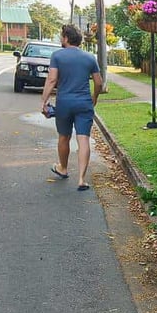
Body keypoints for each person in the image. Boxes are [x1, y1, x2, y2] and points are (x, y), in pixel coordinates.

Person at [40, 24, 103, 191]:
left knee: (64, 137)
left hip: (64, 103)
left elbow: (52, 80)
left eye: (62, 36)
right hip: (84, 103)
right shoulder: (90, 58)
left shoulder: (57, 56)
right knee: (83, 139)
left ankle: (63, 168)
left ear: (66, 38)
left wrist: (44, 101)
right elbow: (98, 82)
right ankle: (82, 179)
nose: (61, 39)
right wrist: (94, 97)